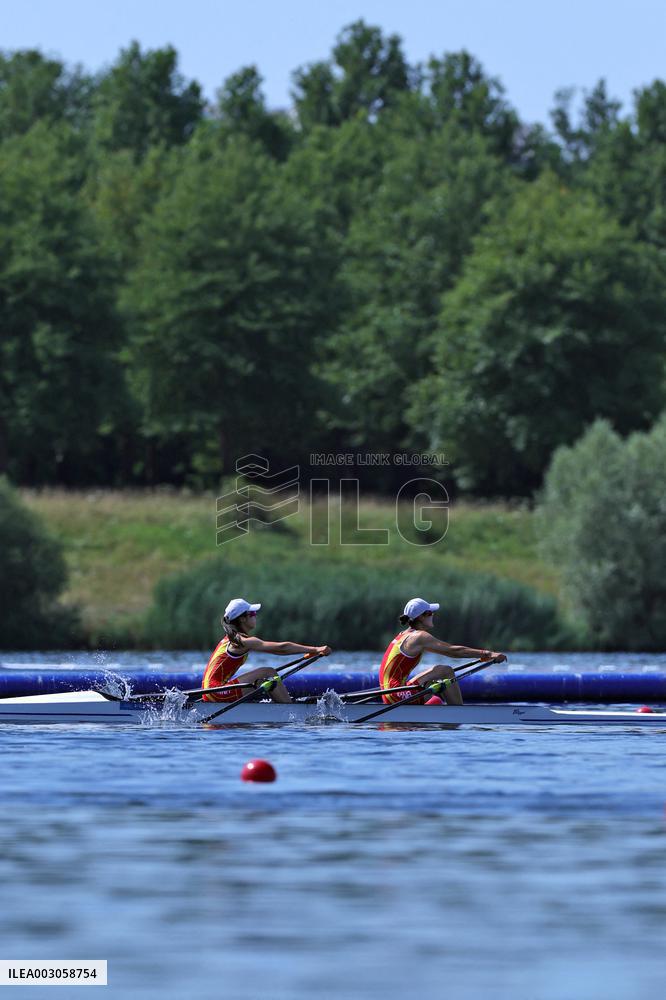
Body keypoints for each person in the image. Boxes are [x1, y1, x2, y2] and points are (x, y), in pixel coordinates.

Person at [379, 598, 507, 705]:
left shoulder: (403, 635)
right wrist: (488, 654)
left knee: (437, 678)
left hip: (389, 692)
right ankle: (459, 714)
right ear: (421, 617)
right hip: (395, 694)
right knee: (446, 672)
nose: (433, 615)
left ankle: (446, 713)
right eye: (430, 613)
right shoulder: (419, 637)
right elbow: (453, 651)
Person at [201, 598, 331, 703]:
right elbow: (281, 648)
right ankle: (289, 709)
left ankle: (281, 704)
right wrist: (316, 649)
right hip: (215, 692)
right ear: (242, 619)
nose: (255, 616)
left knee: (266, 679)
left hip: (208, 692)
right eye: (252, 613)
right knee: (268, 672)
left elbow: (280, 651)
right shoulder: (244, 641)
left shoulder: (231, 639)